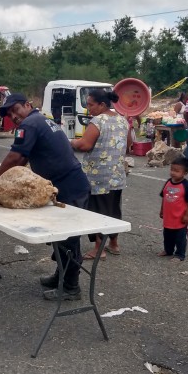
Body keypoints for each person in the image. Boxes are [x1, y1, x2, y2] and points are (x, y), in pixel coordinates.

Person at [0, 93, 91, 301]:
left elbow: (16, 158)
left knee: (68, 238)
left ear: (28, 105)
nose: (13, 116)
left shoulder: (29, 124)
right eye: (9, 113)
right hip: (66, 185)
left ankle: (71, 287)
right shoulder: (42, 120)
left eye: (16, 109)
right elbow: (21, 161)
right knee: (61, 236)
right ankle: (61, 276)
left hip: (69, 187)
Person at [70, 89, 130, 259]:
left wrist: (71, 142)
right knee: (113, 209)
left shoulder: (98, 121)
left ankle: (99, 249)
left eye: (90, 105)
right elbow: (129, 143)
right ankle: (114, 244)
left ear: (102, 104)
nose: (89, 109)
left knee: (98, 211)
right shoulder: (122, 120)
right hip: (117, 175)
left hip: (99, 176)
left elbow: (85, 145)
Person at [159, 157, 188, 261]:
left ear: (185, 173)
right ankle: (168, 250)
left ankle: (180, 254)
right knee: (167, 236)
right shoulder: (168, 182)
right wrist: (161, 210)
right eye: (172, 169)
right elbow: (164, 197)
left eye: (177, 171)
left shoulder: (186, 185)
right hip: (168, 217)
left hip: (179, 219)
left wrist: (187, 215)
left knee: (180, 238)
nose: (173, 173)